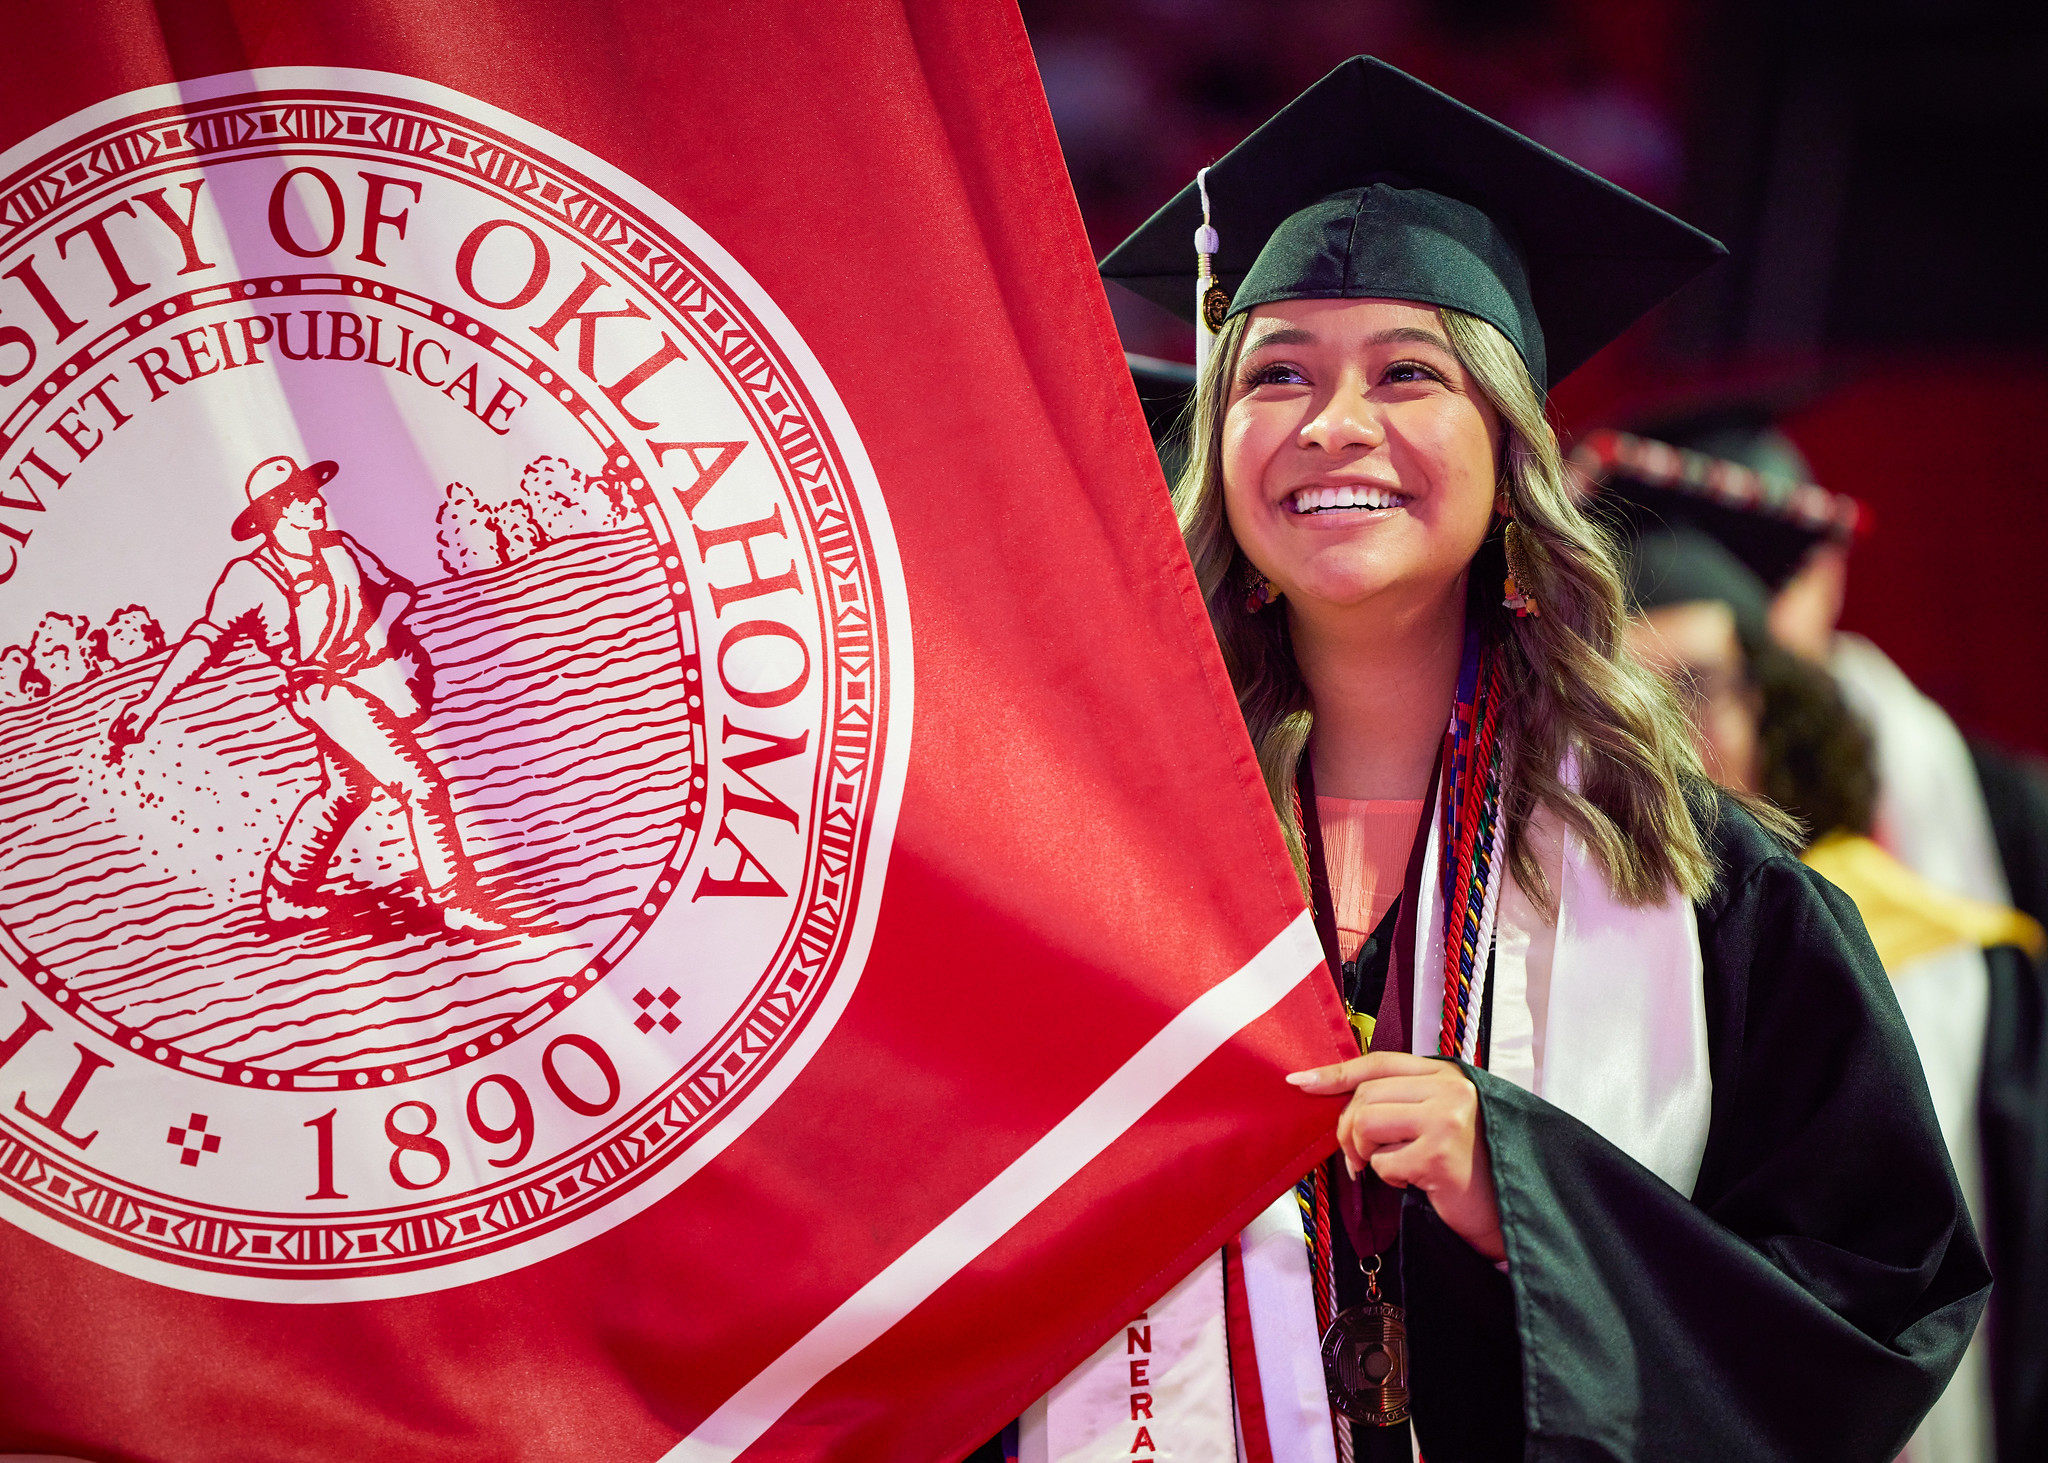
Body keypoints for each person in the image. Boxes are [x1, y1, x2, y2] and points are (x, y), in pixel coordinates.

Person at [1011, 56, 1988, 1463]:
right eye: (1275, 372)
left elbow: (1880, 1306)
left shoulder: (1707, 883)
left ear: (1511, 446)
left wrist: (1528, 1188)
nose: (1333, 423)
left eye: (1409, 371)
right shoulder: (1089, 854)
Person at [1590, 439, 2048, 1463]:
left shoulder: (1944, 965)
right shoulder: (1563, 956)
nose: (1668, 735)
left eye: (1699, 686)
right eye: (1627, 695)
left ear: (1771, 704)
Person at [111, 454, 512, 937]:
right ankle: (456, 900)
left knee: (345, 792)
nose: (315, 502)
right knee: (419, 786)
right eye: (298, 498)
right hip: (324, 694)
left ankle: (286, 893)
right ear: (273, 515)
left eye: (311, 492)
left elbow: (399, 591)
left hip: (372, 681)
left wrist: (374, 630)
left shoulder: (340, 547)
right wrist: (149, 705)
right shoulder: (250, 579)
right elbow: (204, 643)